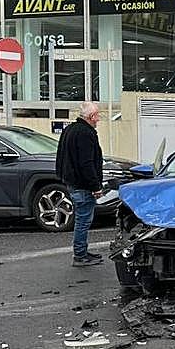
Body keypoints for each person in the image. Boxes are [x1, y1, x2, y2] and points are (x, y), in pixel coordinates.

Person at [55, 101, 104, 267]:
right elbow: (87, 163)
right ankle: (80, 254)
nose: (99, 119)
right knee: (83, 221)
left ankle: (82, 251)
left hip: (72, 181)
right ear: (91, 117)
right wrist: (96, 186)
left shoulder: (70, 129)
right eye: (97, 115)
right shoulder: (86, 134)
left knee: (82, 220)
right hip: (82, 185)